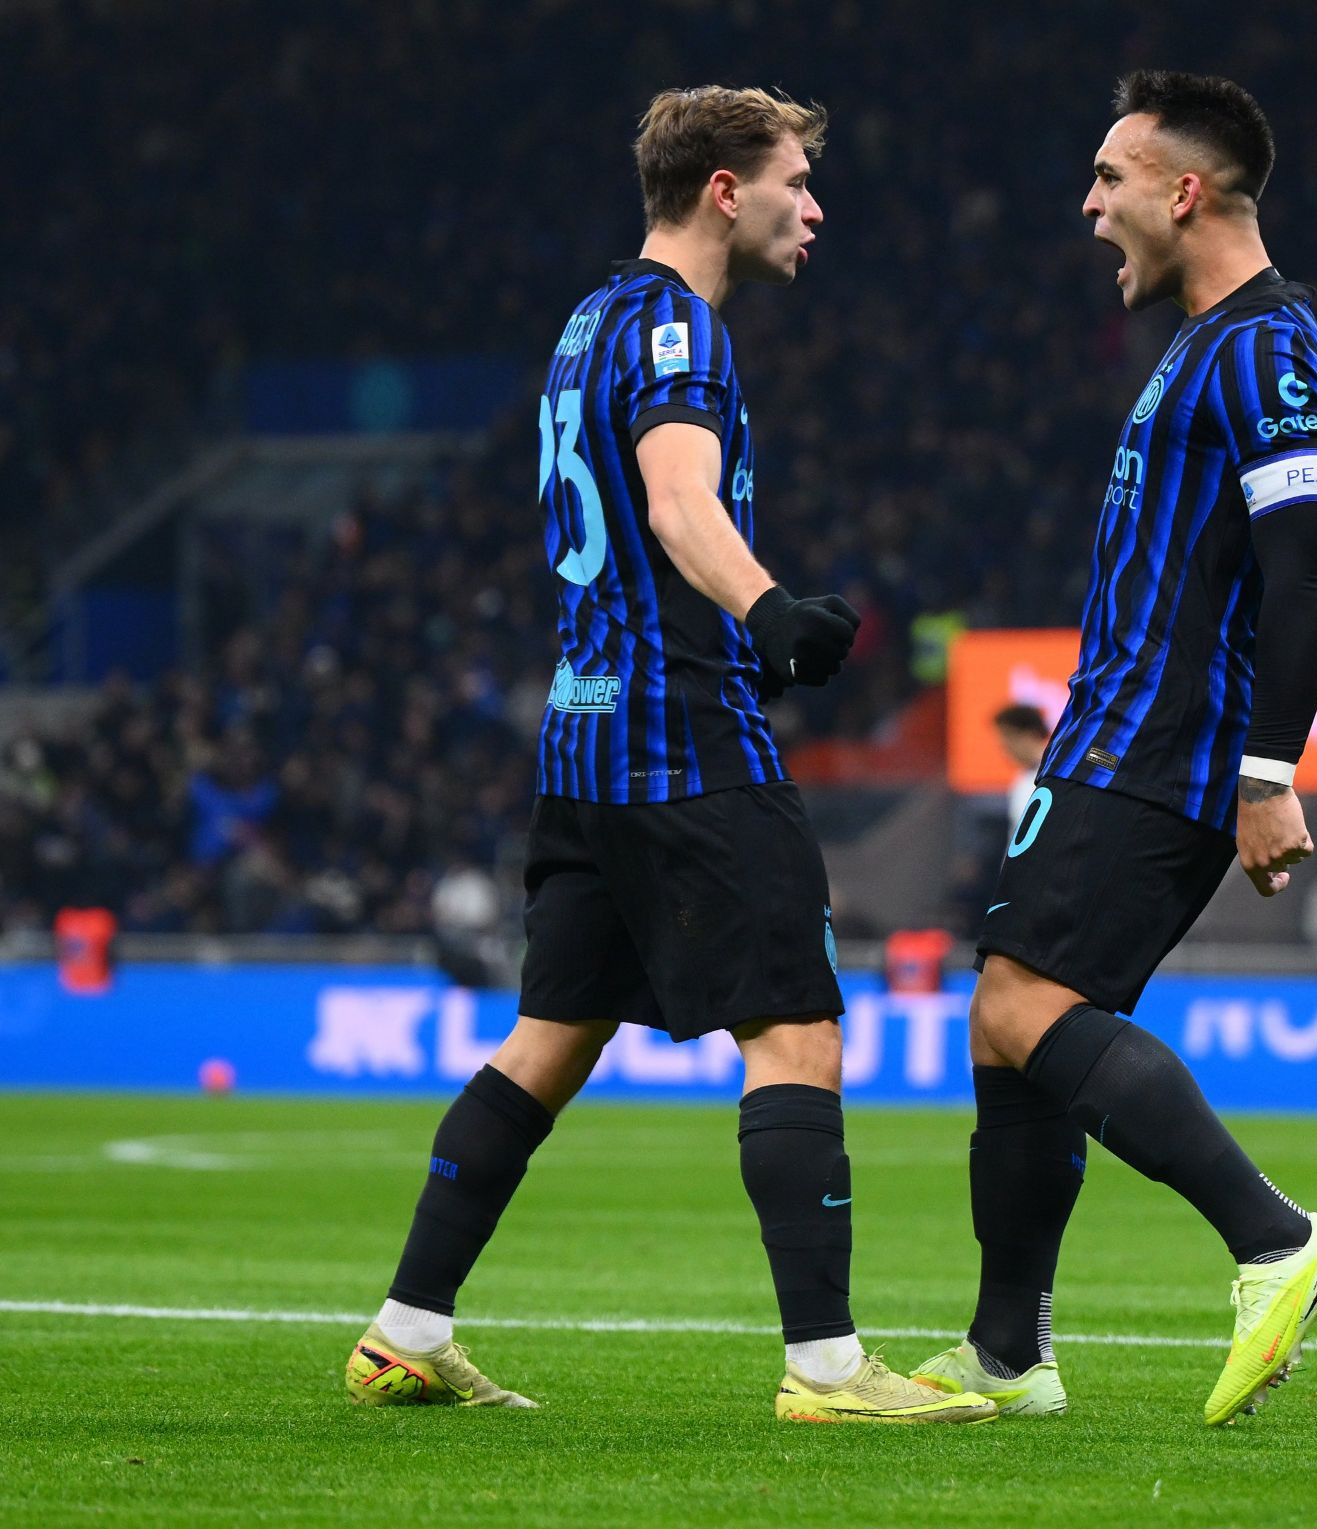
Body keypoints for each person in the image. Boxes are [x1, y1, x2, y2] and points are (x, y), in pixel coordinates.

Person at [343, 85, 993, 1426]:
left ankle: (405, 1329)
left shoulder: (590, 320)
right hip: (684, 733)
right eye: (795, 182)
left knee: (548, 1039)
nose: (814, 208)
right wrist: (771, 612)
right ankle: (827, 1368)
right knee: (797, 1029)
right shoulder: (680, 328)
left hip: (582, 738)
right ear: (722, 190)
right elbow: (677, 499)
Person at [911, 71, 1317, 1426]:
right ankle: (1007, 1350)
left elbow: (1306, 570)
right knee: (1006, 1023)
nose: (1090, 204)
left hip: (1162, 743)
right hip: (1108, 731)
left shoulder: (1270, 347)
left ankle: (1276, 1239)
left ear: (1185, 190)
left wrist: (1268, 770)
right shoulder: (1197, 341)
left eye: (1110, 177)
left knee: (1023, 1007)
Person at [993, 702, 1052, 843]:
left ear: (1031, 734)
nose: (1004, 745)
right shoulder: (1020, 780)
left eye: (1009, 736)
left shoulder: (1054, 776)